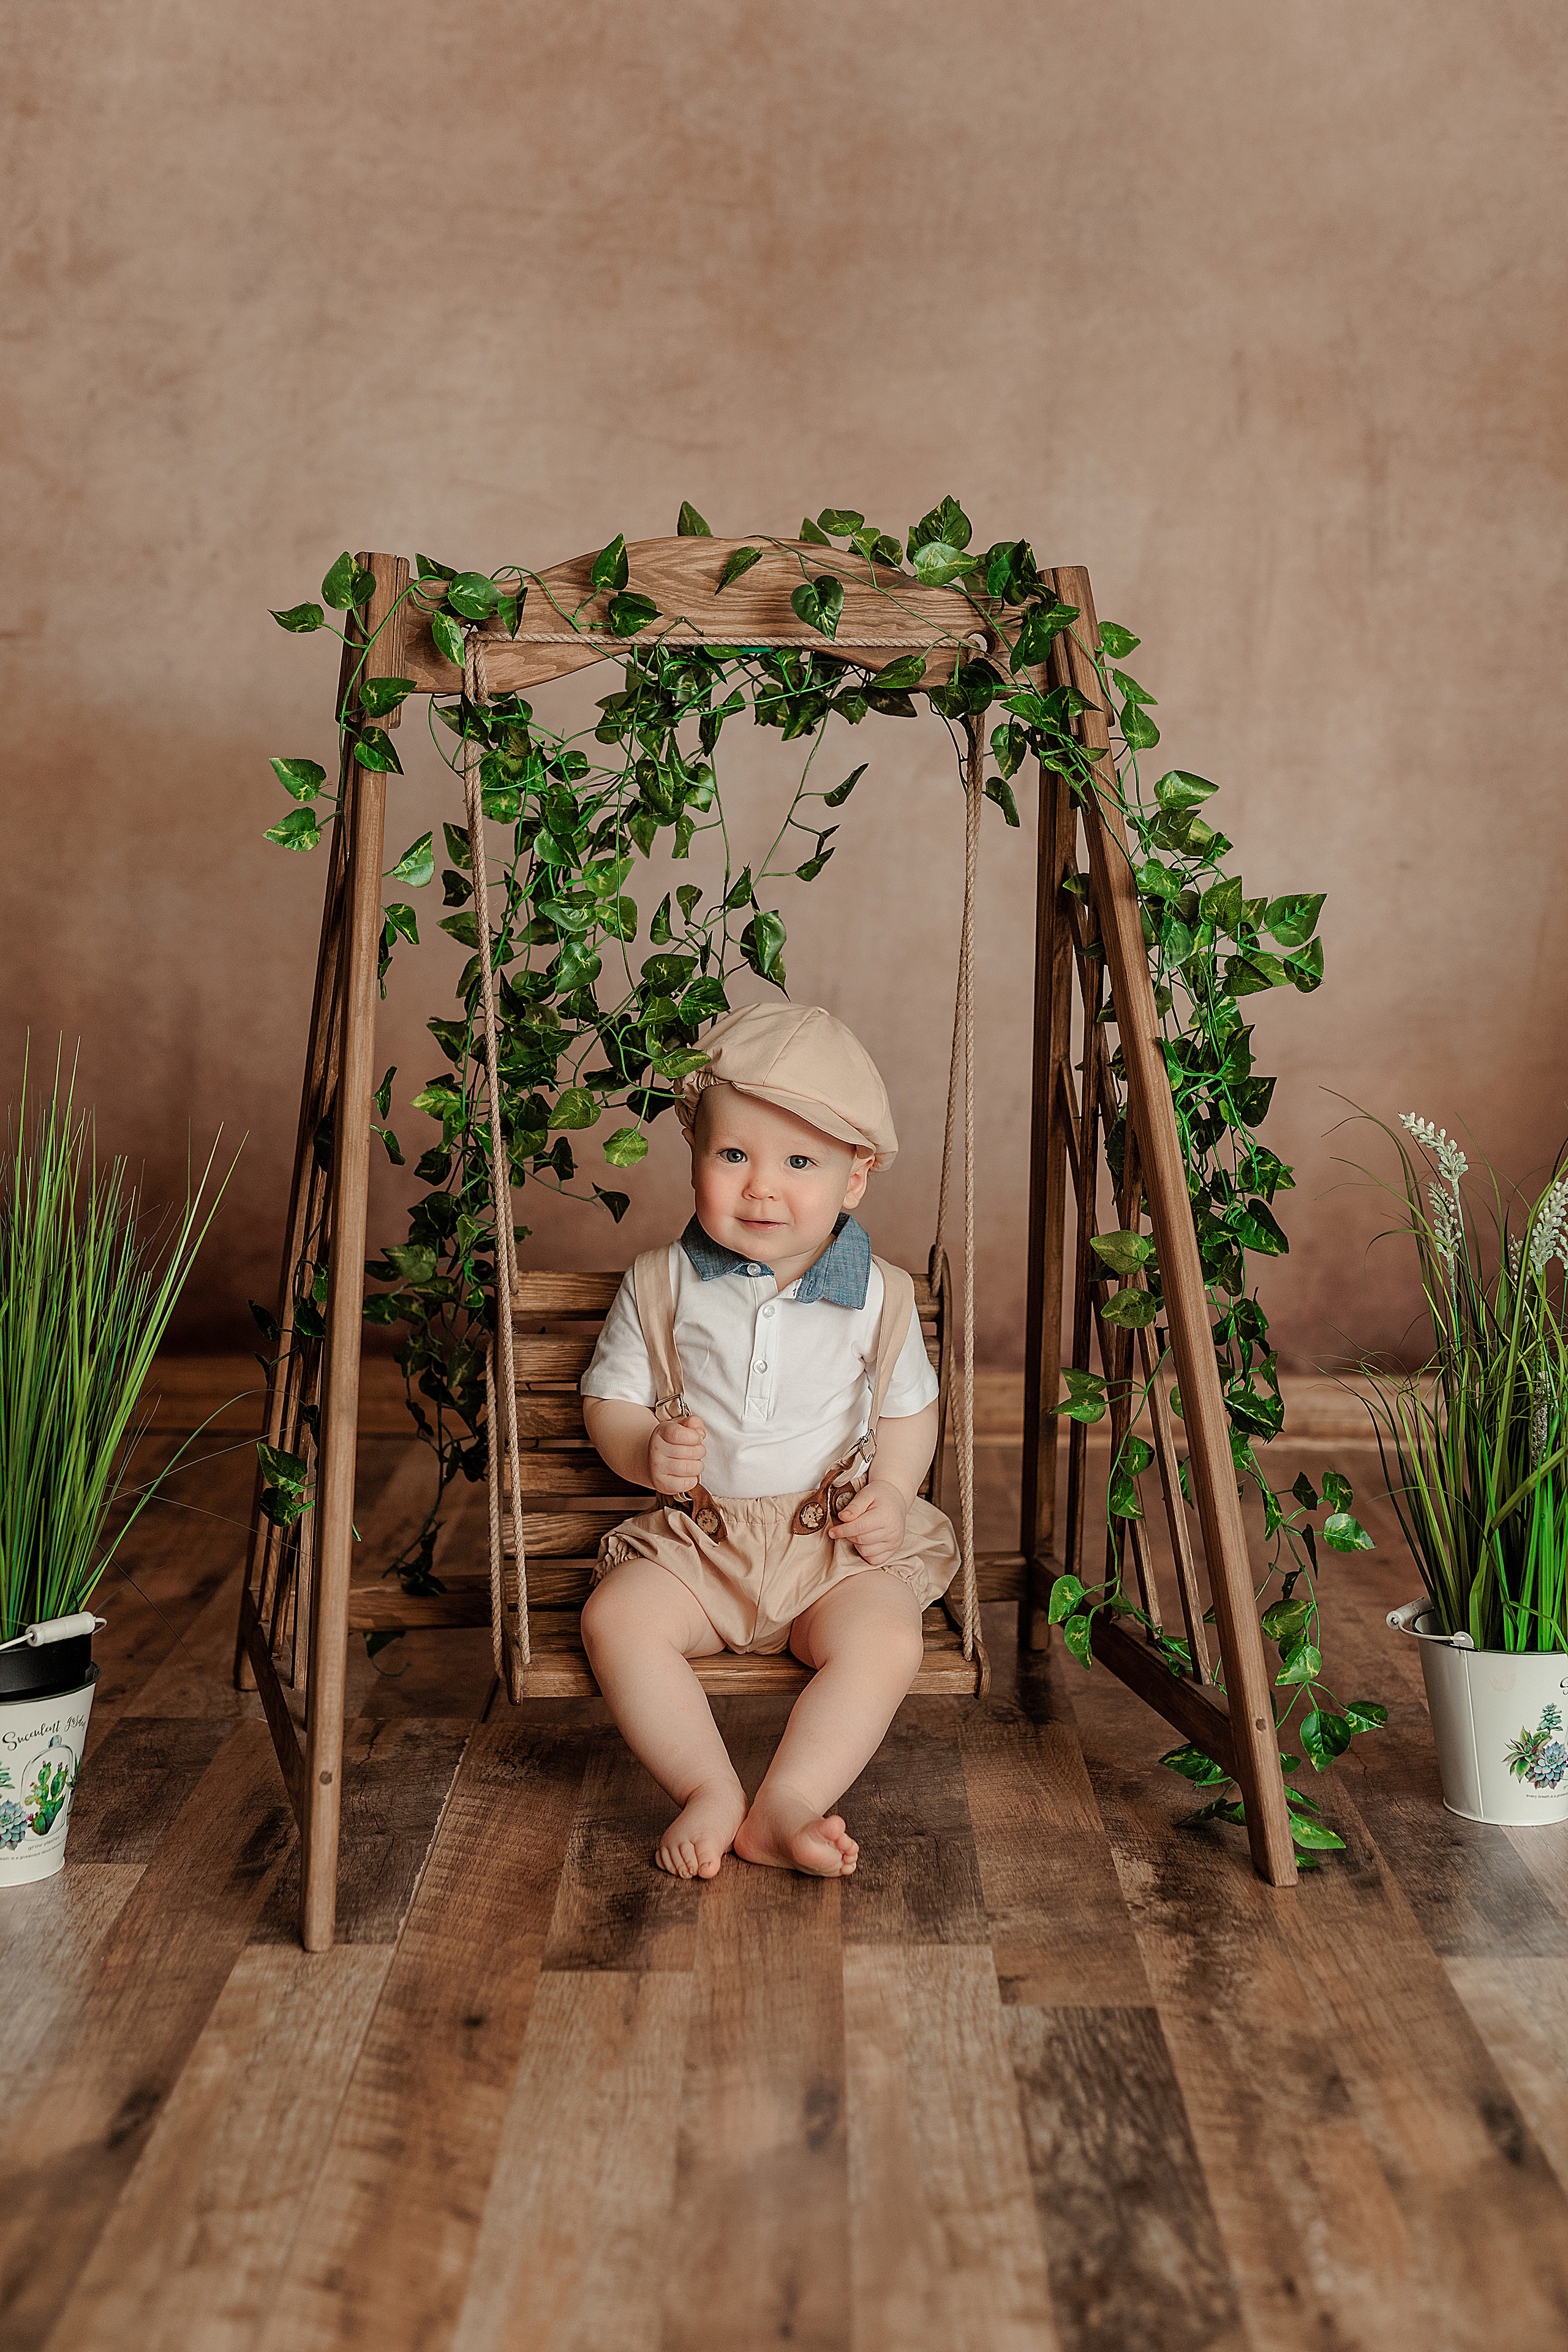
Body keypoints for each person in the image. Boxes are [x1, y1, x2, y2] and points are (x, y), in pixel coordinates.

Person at [579, 1001, 959, 1882]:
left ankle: (788, 1801)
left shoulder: (879, 1296)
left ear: (855, 1177)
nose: (761, 1186)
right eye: (734, 1155)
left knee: (888, 1635)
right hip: (701, 1546)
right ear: (696, 1154)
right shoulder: (663, 1283)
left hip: (826, 1547)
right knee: (618, 1618)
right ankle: (708, 1786)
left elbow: (906, 1412)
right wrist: (641, 1450)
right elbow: (612, 1399)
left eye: (799, 1162)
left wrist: (894, 1497)